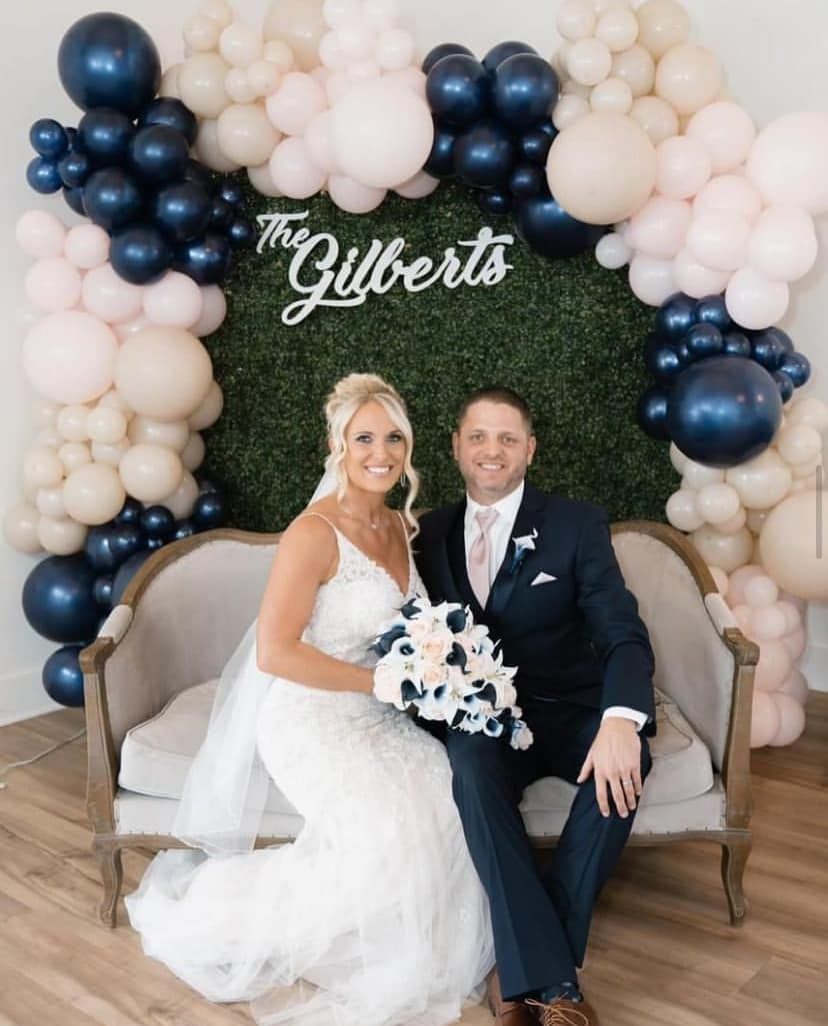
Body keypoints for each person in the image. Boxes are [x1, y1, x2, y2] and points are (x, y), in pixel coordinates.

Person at [125, 374, 494, 1026]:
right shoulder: (314, 534)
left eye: (393, 438)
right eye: (364, 438)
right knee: (382, 830)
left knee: (448, 795)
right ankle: (249, 923)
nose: (381, 453)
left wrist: (436, 668)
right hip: (309, 719)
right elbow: (275, 653)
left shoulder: (398, 525)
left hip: (379, 716)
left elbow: (408, 634)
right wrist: (382, 684)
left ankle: (427, 939)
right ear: (337, 446)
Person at [414, 386, 656, 1026]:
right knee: (469, 767)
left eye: (507, 438)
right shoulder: (427, 534)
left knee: (629, 761)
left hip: (572, 707)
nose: (491, 450)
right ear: (456, 447)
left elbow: (622, 633)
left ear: (530, 450)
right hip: (484, 719)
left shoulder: (576, 525)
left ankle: (524, 975)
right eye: (478, 437)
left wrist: (621, 721)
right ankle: (557, 987)